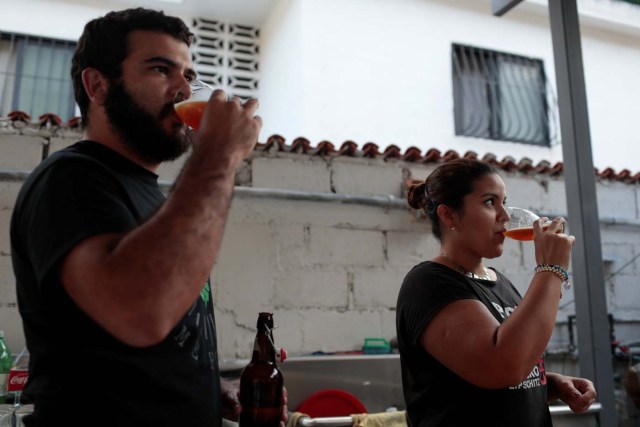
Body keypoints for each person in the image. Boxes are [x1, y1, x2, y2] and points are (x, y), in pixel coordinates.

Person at [10, 8, 286, 427]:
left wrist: (212, 392)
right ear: (98, 84)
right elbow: (142, 313)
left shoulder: (157, 199)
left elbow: (147, 355)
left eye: (189, 76)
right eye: (161, 69)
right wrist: (220, 154)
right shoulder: (70, 178)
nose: (184, 89)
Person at [395, 158, 597, 426]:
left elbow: (485, 383)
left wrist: (551, 385)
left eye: (504, 202)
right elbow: (504, 366)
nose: (506, 215)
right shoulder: (430, 283)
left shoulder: (497, 281)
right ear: (449, 215)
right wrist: (550, 269)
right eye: (490, 202)